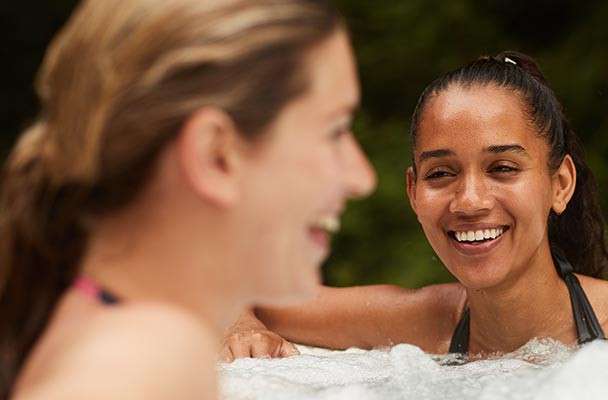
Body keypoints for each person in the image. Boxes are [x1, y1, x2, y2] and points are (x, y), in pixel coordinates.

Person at [0, 0, 375, 398]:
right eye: (335, 131)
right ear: (215, 155)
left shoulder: (95, 325)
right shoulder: (145, 370)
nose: (361, 178)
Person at [221, 51, 608, 361]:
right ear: (413, 192)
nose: (470, 200)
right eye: (441, 173)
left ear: (560, 185)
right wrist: (239, 326)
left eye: (502, 168)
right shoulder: (422, 324)